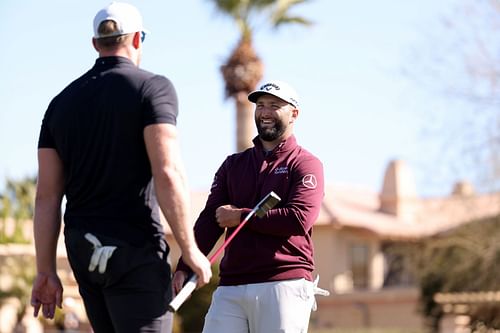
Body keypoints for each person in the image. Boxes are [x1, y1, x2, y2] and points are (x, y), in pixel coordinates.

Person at [30, 2, 212, 332]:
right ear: (138, 40)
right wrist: (190, 250)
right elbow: (167, 172)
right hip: (133, 248)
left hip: (84, 251)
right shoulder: (152, 88)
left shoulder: (60, 103)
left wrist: (45, 271)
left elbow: (46, 196)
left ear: (95, 44)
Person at [173, 80, 327, 332]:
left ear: (294, 114)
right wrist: (185, 266)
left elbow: (299, 219)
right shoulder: (233, 165)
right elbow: (210, 221)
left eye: (275, 106)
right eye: (261, 105)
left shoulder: (306, 164)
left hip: (283, 283)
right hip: (231, 284)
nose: (265, 112)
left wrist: (242, 217)